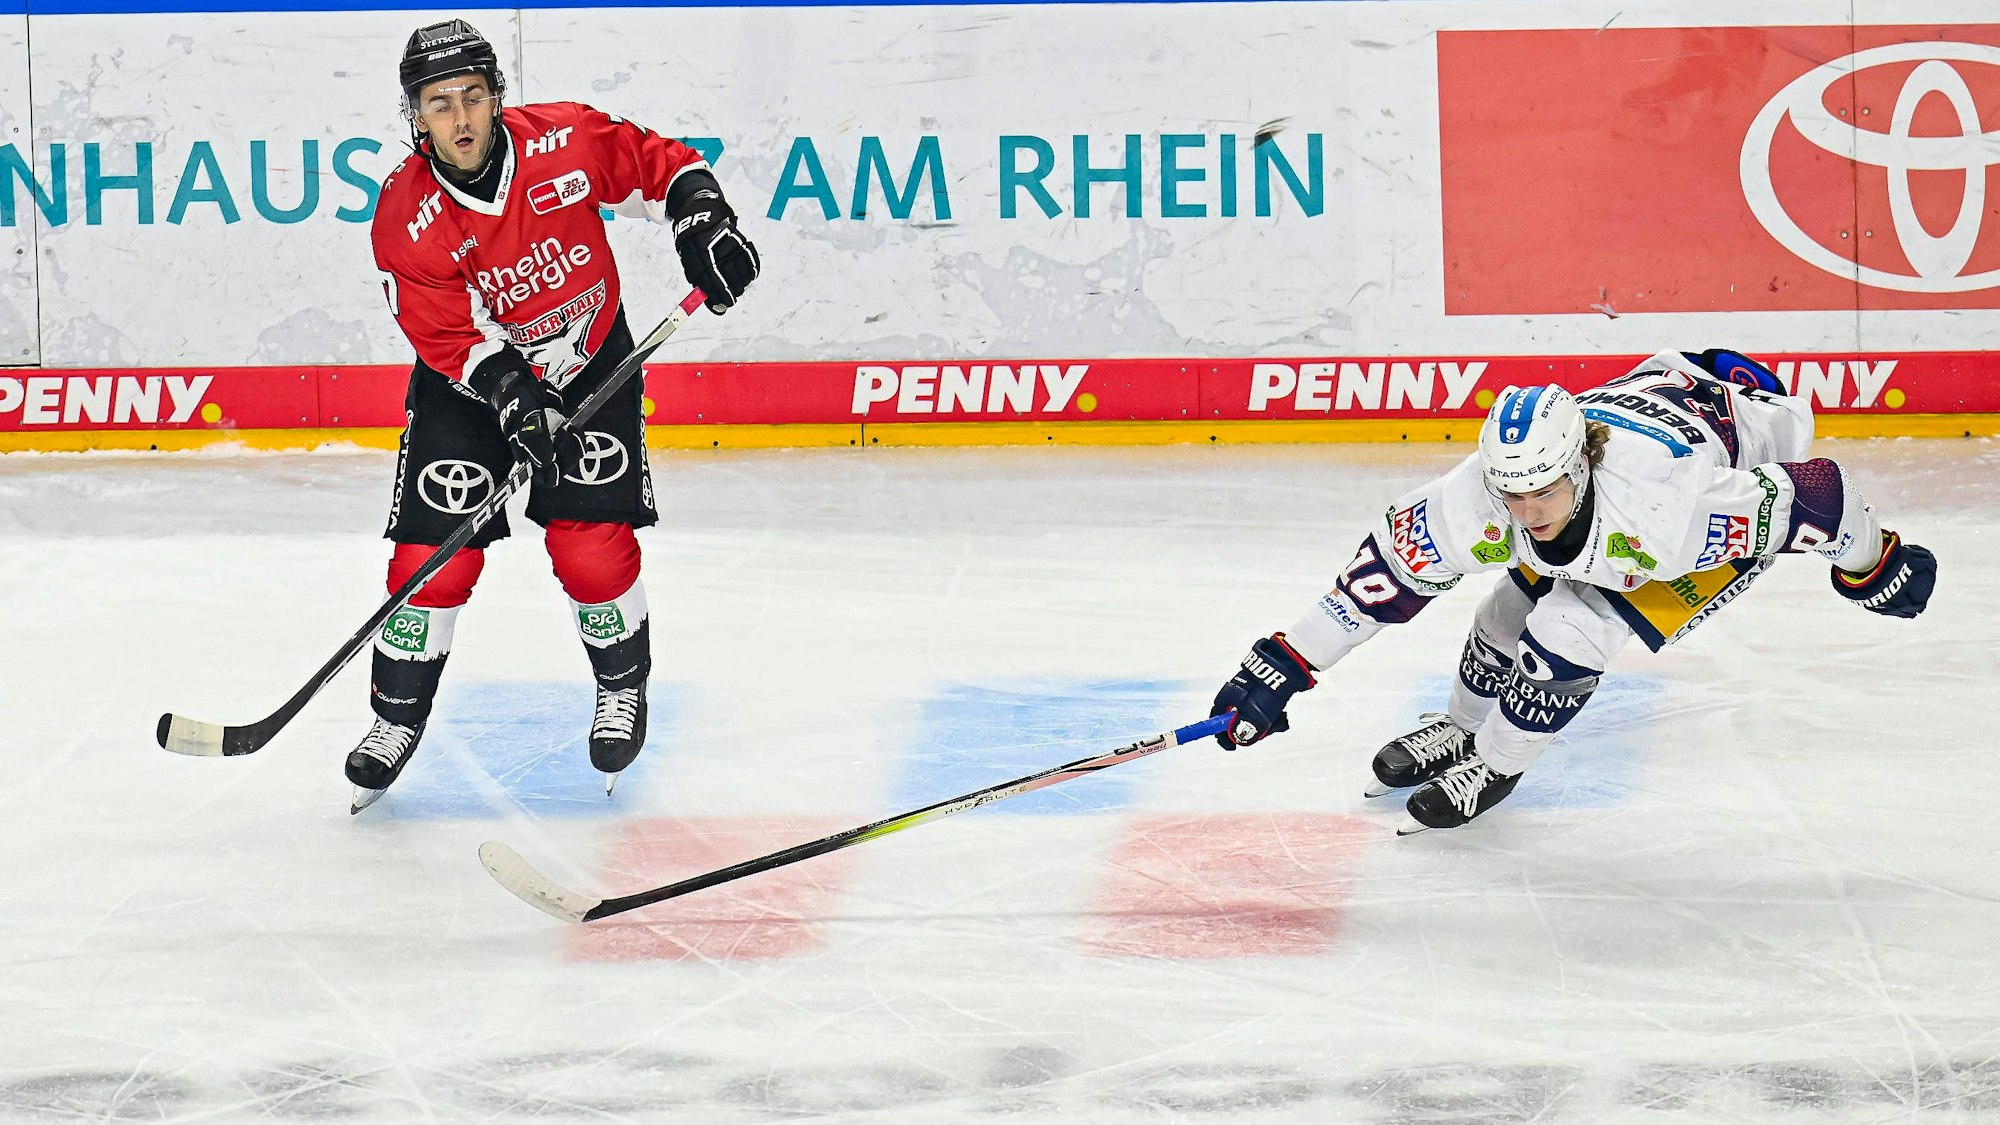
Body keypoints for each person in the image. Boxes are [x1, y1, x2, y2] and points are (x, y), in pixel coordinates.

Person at [1210, 349, 1937, 834]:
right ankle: (1463, 728)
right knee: (1504, 612)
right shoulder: (1480, 497)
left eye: (1545, 491)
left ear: (1580, 469)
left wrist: (1872, 565)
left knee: (1566, 629)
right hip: (1674, 393)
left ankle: (1494, 763)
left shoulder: (1670, 511)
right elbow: (1373, 585)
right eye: (1512, 492)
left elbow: (1821, 493)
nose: (1526, 511)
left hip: (1726, 452)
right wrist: (1279, 663)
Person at [349, 19, 760, 810]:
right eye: (440, 105)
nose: (461, 119)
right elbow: (447, 334)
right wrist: (511, 394)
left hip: (590, 359)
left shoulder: (563, 142)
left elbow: (662, 166)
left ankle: (620, 686)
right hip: (470, 385)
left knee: (589, 547)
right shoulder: (406, 216)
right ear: (415, 118)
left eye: (473, 96)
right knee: (431, 557)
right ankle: (395, 717)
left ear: (498, 97)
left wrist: (702, 219)